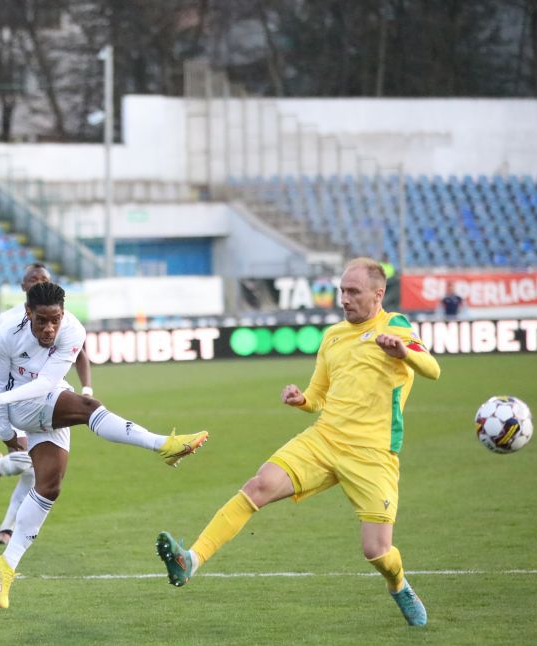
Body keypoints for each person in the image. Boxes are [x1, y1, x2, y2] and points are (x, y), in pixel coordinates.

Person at [155, 257, 440, 626]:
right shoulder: (333, 336)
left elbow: (433, 369)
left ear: (378, 294)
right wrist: (301, 399)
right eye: (342, 291)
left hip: (372, 452)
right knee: (259, 485)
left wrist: (404, 353)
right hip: (324, 439)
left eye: (353, 292)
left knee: (376, 551)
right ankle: (190, 561)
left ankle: (398, 584)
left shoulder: (395, 326)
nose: (344, 299)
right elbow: (318, 396)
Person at [0, 281, 209, 609]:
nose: (49, 328)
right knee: (89, 409)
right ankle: (164, 444)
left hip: (47, 394)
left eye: (55, 320)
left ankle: (6, 564)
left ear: (63, 314)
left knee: (49, 487)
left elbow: (46, 383)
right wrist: (6, 433)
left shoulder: (73, 330)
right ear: (28, 312)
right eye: (42, 321)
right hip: (21, 405)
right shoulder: (7, 332)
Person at [0, 263, 93, 545]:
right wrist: (5, 387)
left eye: (44, 278)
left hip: (48, 399)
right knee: (26, 462)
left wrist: (87, 389)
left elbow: (81, 354)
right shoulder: (6, 321)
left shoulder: (59, 319)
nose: (38, 281)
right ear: (23, 286)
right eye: (33, 278)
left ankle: (5, 521)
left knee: (33, 470)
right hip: (15, 403)